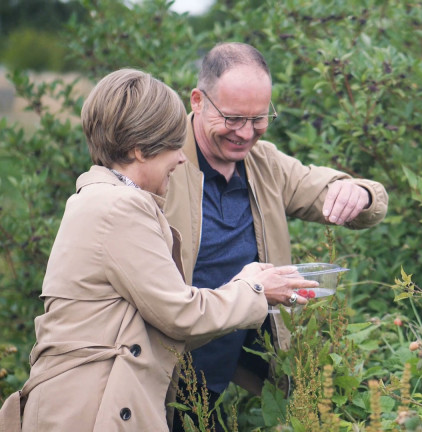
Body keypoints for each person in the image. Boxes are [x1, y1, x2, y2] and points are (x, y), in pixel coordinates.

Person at [0, 69, 317, 432]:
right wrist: (256, 288)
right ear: (138, 149)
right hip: (88, 412)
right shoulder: (119, 208)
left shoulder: (99, 198)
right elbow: (180, 314)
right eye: (173, 145)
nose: (182, 159)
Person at [163, 42, 388, 426]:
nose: (245, 133)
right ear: (198, 101)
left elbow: (339, 192)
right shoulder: (161, 160)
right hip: (170, 368)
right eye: (232, 118)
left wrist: (358, 192)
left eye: (259, 119)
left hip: (244, 364)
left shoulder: (264, 163)